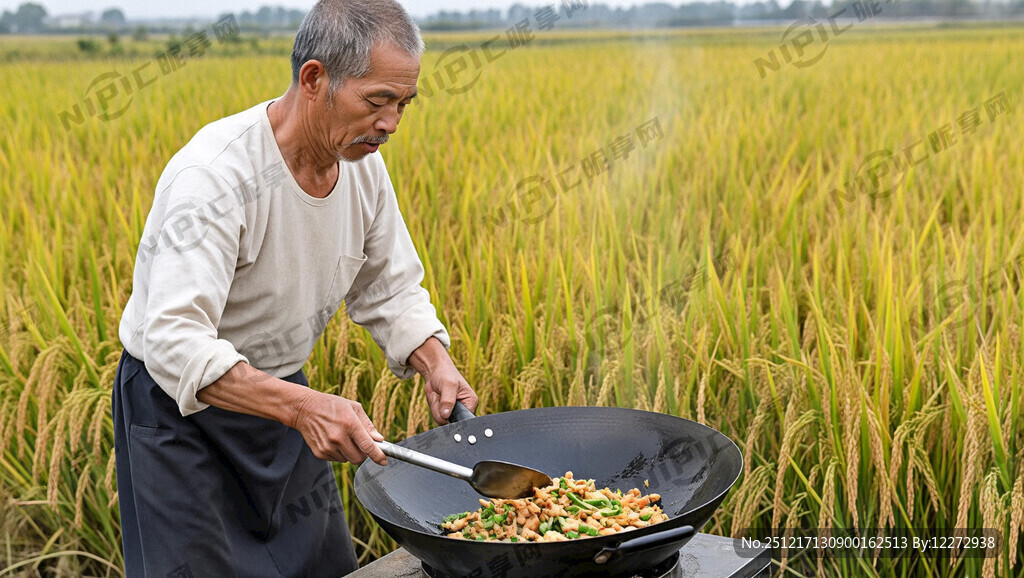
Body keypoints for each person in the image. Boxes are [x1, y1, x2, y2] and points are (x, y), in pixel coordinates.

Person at [111, 1, 478, 575]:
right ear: (315, 79)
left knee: (320, 566)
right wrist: (305, 407)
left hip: (283, 404)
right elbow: (175, 340)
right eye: (377, 101)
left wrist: (434, 362)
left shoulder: (361, 165)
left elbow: (389, 285)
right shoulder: (214, 176)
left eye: (403, 104)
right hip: (180, 414)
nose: (391, 124)